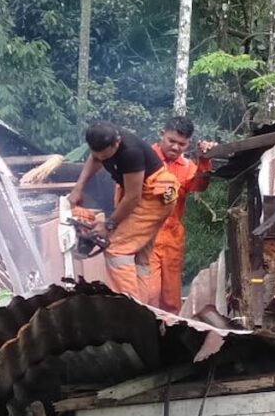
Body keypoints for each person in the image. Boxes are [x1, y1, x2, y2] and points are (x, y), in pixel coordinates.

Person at [68, 122, 179, 302]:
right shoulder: (102, 145)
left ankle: (129, 309)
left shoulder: (130, 152)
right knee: (140, 257)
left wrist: (109, 225)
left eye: (106, 155)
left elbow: (133, 197)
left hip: (153, 197)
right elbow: (96, 158)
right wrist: (78, 188)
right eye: (98, 154)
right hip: (142, 193)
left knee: (117, 250)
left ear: (117, 142)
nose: (102, 158)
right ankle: (146, 308)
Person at [148, 116, 216, 313]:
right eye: (172, 141)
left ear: (188, 143)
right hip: (146, 235)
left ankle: (170, 338)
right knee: (150, 293)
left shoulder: (187, 167)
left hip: (172, 237)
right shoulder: (145, 158)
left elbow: (199, 186)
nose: (176, 147)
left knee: (171, 299)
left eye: (182, 144)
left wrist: (204, 160)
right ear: (161, 134)